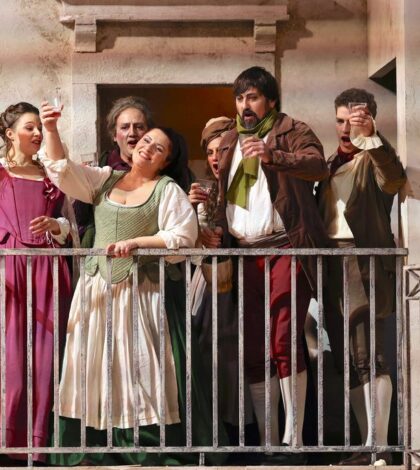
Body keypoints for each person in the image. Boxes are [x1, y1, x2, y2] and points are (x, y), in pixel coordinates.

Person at [40, 103, 226, 466]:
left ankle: (142, 444)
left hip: (139, 292)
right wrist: (50, 128)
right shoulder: (105, 178)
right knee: (92, 365)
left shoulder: (166, 190)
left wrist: (139, 243)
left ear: (166, 161)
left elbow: (182, 237)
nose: (147, 146)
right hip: (96, 289)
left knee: (138, 368)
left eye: (158, 147)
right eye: (146, 141)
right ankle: (91, 444)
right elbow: (63, 170)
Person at [213, 66, 330, 464]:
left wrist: (273, 155)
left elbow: (317, 165)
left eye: (253, 97)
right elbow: (226, 198)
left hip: (285, 248)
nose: (245, 105)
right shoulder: (229, 140)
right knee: (254, 348)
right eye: (240, 98)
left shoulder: (292, 129)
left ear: (271, 100)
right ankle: (269, 442)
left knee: (283, 341)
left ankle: (294, 443)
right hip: (245, 255)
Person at [317, 88, 406, 465]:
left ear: (369, 120)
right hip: (331, 262)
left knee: (370, 355)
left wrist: (371, 136)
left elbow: (394, 178)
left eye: (353, 121)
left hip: (361, 259)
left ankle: (378, 446)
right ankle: (365, 446)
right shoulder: (328, 163)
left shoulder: (374, 157)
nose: (345, 128)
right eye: (340, 121)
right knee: (346, 359)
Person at [0, 102, 72, 465]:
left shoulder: (51, 175)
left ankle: (38, 444)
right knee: (11, 357)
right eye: (30, 127)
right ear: (10, 133)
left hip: (48, 269)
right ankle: (7, 438)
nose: (37, 133)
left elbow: (70, 224)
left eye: (39, 128)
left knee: (46, 357)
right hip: (9, 268)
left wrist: (55, 226)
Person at [188, 116, 254, 443]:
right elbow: (190, 246)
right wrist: (191, 214)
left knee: (242, 353)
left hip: (245, 277)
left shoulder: (249, 184)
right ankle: (214, 430)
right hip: (211, 280)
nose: (215, 158)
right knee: (208, 350)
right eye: (210, 152)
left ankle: (245, 431)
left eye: (222, 151)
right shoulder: (205, 192)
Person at [74, 96, 154, 248]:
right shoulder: (101, 169)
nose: (132, 133)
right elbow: (79, 221)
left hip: (147, 256)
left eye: (139, 127)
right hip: (105, 254)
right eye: (125, 127)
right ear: (114, 135)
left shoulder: (161, 169)